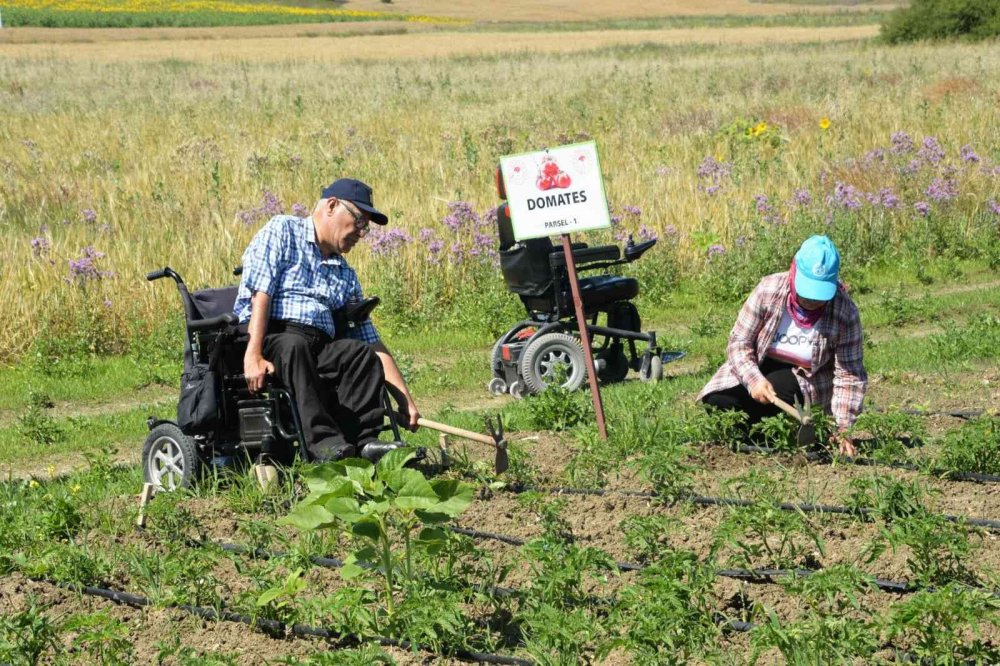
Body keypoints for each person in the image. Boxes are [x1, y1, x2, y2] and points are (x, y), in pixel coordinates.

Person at [233, 178, 420, 463]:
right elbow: (261, 294)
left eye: (366, 227)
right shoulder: (283, 230)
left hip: (316, 345)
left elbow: (370, 339)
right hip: (273, 335)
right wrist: (253, 355)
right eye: (359, 220)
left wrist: (404, 400)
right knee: (294, 346)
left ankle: (364, 443)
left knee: (360, 354)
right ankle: (323, 446)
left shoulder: (344, 272)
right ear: (332, 206)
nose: (362, 232)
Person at [697, 235, 866, 456]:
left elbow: (849, 375)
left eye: (818, 295)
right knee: (717, 400)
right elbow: (739, 342)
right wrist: (754, 380)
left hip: (805, 380)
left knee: (780, 388)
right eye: (807, 292)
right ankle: (760, 433)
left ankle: (779, 432)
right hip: (759, 366)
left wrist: (842, 428)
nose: (811, 301)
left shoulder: (844, 312)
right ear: (794, 271)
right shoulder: (768, 290)